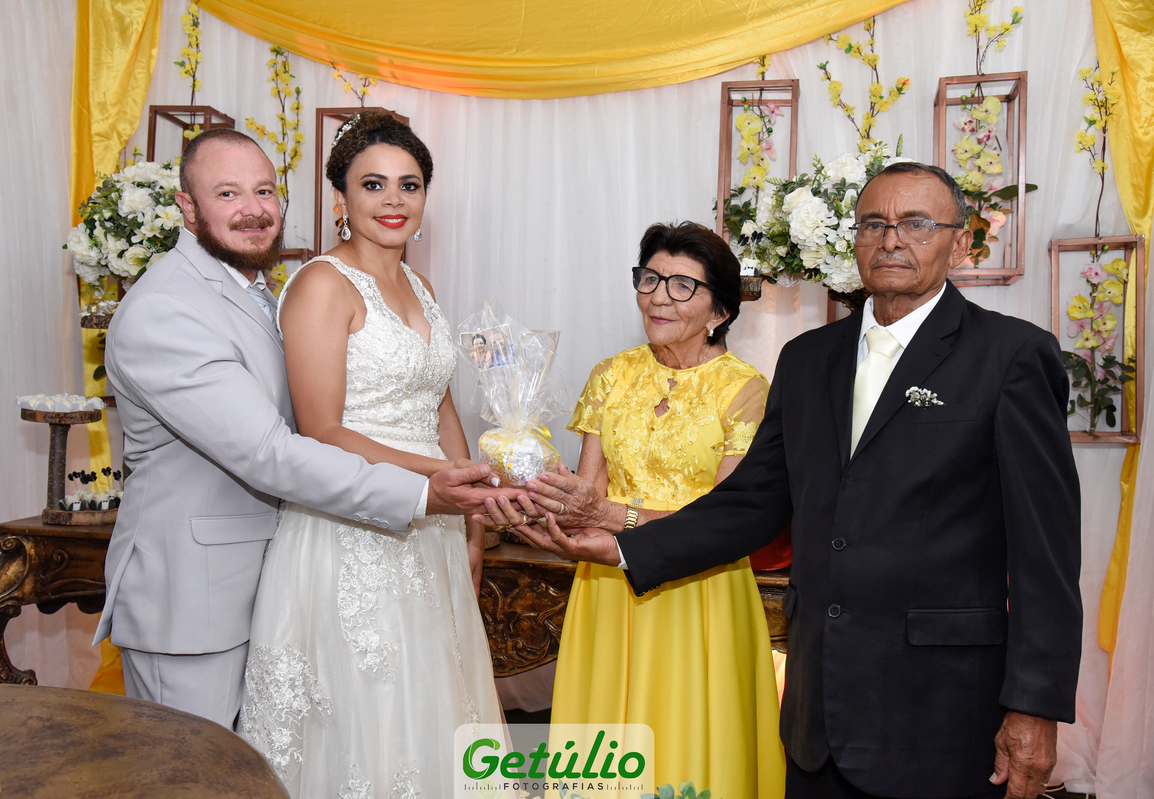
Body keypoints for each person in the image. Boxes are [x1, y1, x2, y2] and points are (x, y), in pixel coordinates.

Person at [495, 163, 1082, 799]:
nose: (891, 240)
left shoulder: (1012, 355)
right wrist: (621, 545)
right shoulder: (807, 359)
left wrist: (1035, 706)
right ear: (854, 241)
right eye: (874, 224)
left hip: (940, 704)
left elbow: (1046, 551)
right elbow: (752, 503)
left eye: (916, 224)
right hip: (816, 703)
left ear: (960, 243)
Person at [95, 127, 512, 730]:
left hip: (279, 570)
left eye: (264, 191)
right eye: (228, 193)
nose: (253, 209)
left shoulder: (255, 290)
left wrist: (463, 509)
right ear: (186, 205)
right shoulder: (167, 307)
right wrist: (432, 489)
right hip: (195, 603)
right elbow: (273, 450)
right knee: (196, 771)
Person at [237, 113, 501, 798]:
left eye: (409, 185)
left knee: (431, 704)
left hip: (433, 523)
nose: (393, 200)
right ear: (341, 197)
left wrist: (472, 515)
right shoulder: (321, 284)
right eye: (373, 184)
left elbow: (441, 409)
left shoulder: (423, 289)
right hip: (349, 528)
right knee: (366, 716)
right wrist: (443, 477)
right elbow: (321, 430)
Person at [506, 222, 786, 797]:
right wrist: (530, 493)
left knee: (688, 738)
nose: (659, 296)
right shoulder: (611, 375)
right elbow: (586, 496)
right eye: (650, 279)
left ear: (719, 311)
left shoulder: (747, 391)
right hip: (608, 583)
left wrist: (611, 519)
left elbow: (726, 521)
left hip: (700, 587)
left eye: (683, 285)